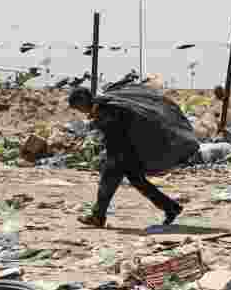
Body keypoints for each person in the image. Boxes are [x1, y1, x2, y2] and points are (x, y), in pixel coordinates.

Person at [68, 87, 183, 228]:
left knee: (107, 184)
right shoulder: (104, 107)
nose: (80, 111)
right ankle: (171, 208)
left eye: (79, 107)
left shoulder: (105, 109)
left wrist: (97, 123)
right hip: (126, 153)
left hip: (120, 154)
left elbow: (115, 132)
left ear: (83, 101)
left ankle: (98, 216)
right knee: (139, 183)